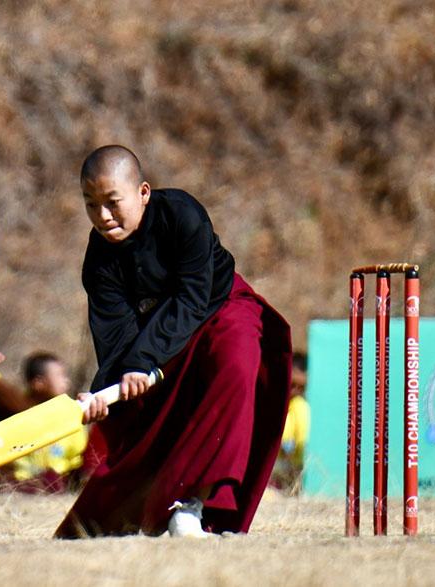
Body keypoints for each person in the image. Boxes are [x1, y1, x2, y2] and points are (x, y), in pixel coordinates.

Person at [55, 145, 292, 538]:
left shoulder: (181, 214)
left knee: (236, 366)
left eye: (113, 202)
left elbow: (193, 297)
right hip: (161, 339)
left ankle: (192, 506)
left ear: (143, 193)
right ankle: (142, 513)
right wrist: (107, 390)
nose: (103, 216)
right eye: (91, 205)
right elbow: (114, 335)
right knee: (149, 418)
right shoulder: (98, 261)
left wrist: (142, 361)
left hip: (222, 308)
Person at [9, 352, 90, 491]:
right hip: (25, 480)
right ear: (38, 383)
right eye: (60, 375)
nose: (66, 381)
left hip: (61, 477)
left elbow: (78, 454)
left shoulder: (69, 413)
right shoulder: (21, 413)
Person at [271, 352, 310, 493]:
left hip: (291, 468)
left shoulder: (300, 406)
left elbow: (299, 440)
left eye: (301, 387)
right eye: (292, 385)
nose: (295, 390)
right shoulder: (281, 404)